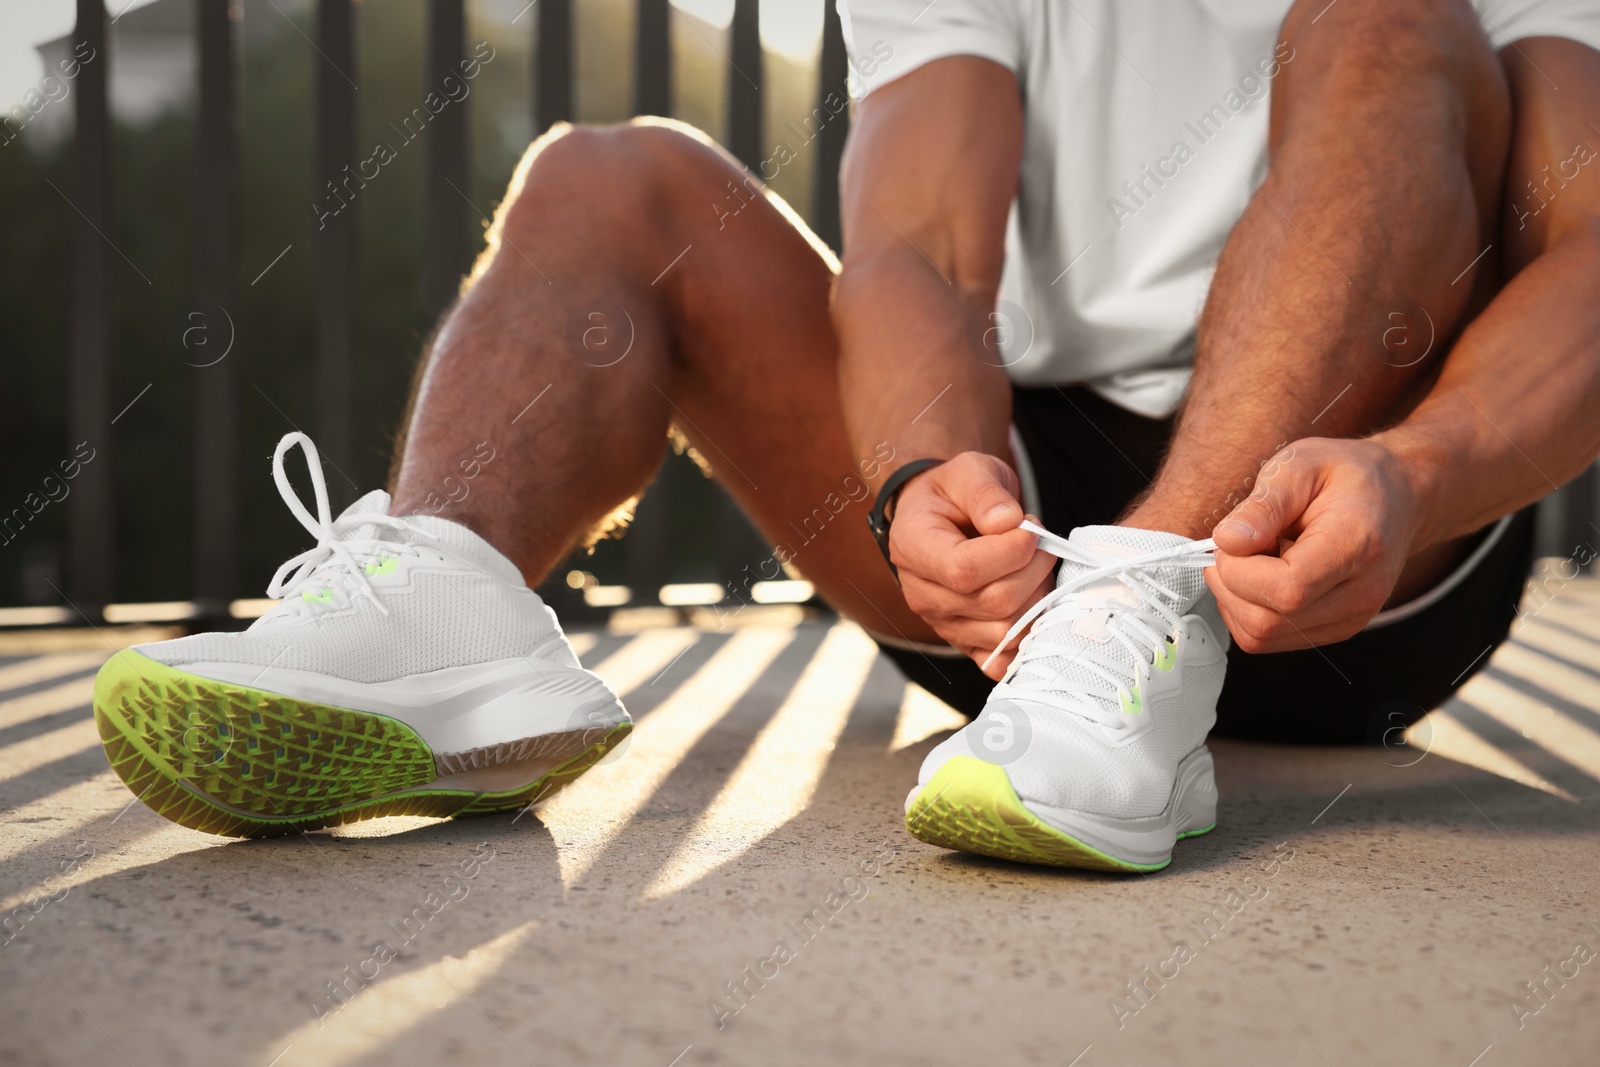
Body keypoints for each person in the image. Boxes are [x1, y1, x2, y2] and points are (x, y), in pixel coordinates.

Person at [94, 0, 1600, 870]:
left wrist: (1423, 467)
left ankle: (1150, 613)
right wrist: (921, 469)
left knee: (1391, 22)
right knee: (616, 179)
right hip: (1023, 559)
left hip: (1363, 512)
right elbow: (917, 249)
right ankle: (445, 616)